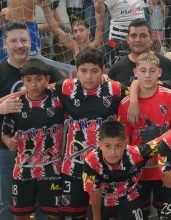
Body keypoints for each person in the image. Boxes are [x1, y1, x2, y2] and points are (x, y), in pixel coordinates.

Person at [0, 20, 64, 220]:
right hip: (8, 150)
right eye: (13, 41)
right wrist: (0, 108)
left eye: (24, 40)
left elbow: (64, 90)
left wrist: (20, 94)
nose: (20, 45)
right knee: (6, 202)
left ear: (31, 41)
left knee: (46, 204)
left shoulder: (45, 70)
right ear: (5, 44)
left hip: (45, 152)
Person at [52, 48, 127, 219]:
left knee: (103, 214)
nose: (88, 76)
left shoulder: (115, 89)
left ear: (103, 71)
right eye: (83, 71)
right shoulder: (65, 87)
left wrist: (135, 99)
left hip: (106, 166)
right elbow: (37, 88)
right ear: (76, 71)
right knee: (73, 214)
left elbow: (139, 89)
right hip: (74, 166)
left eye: (95, 71)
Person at [117, 52, 171, 219]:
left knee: (166, 215)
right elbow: (123, 142)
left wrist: (161, 136)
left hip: (164, 170)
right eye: (143, 70)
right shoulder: (125, 104)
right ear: (135, 72)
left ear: (159, 72)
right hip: (138, 172)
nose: (147, 75)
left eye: (152, 71)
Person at [1, 58, 65, 219]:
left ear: (47, 80)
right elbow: (5, 133)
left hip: (52, 169)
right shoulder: (15, 105)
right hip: (23, 169)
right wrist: (9, 142)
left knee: (55, 214)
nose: (34, 84)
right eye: (29, 80)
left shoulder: (58, 100)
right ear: (22, 80)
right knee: (21, 215)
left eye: (38, 79)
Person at [83, 121, 160, 220]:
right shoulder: (91, 161)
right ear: (100, 144)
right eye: (107, 146)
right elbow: (95, 192)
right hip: (102, 198)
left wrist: (165, 131)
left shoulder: (137, 154)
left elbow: (170, 136)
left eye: (118, 146)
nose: (113, 152)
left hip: (128, 196)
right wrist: (97, 218)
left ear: (125, 143)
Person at [108, 18, 171, 87]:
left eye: (143, 36)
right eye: (133, 36)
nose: (138, 40)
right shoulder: (117, 69)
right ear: (128, 39)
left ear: (151, 38)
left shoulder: (167, 65)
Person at [39, 0, 104, 58]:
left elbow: (99, 27)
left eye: (81, 30)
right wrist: (44, 7)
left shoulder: (95, 45)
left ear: (88, 31)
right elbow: (55, 29)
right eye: (75, 31)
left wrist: (98, 4)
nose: (78, 34)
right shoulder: (72, 45)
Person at [94, 0, 146, 66]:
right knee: (121, 71)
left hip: (140, 40)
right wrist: (98, 4)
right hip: (119, 40)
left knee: (141, 69)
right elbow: (100, 9)